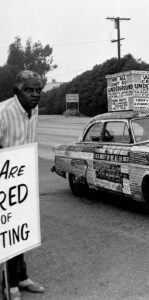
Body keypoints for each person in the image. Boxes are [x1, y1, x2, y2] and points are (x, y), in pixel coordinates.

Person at [0, 70, 46, 300]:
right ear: (17, 90)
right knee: (8, 231)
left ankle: (22, 277)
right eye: (29, 90)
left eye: (39, 90)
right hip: (5, 180)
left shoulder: (34, 109)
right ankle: (9, 285)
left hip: (23, 179)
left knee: (22, 231)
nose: (35, 95)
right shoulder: (3, 112)